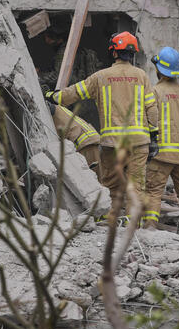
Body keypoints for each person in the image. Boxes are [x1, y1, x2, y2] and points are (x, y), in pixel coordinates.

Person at [45, 31, 158, 224]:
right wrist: (154, 136)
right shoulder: (142, 76)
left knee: (110, 183)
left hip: (112, 144)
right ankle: (133, 223)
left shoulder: (101, 77)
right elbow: (152, 108)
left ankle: (109, 220)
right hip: (139, 142)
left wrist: (51, 96)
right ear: (133, 54)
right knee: (136, 185)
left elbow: (72, 94)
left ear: (114, 52)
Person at [144, 46, 179, 228]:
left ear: (158, 69)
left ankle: (150, 227)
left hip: (161, 154)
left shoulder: (154, 92)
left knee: (153, 192)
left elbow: (148, 122)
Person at [49, 102, 101, 177]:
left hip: (87, 144)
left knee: (93, 176)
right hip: (89, 141)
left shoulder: (54, 112)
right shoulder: (61, 110)